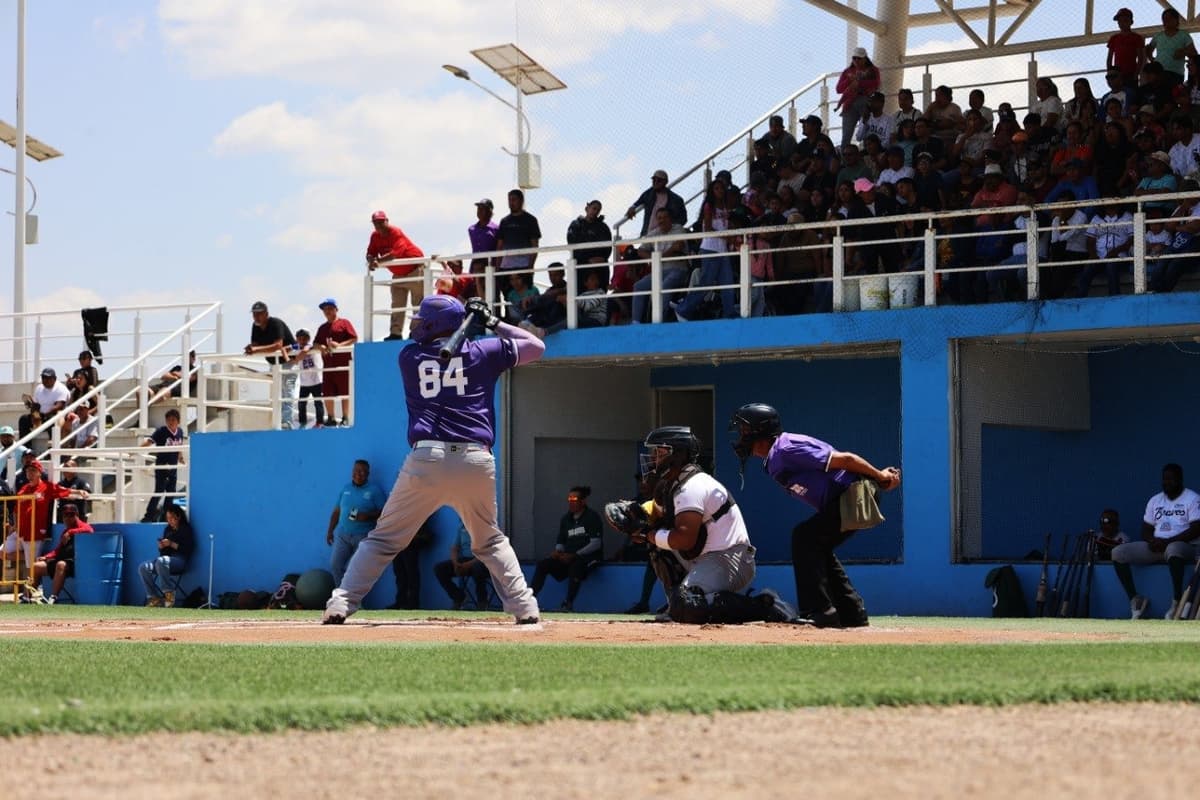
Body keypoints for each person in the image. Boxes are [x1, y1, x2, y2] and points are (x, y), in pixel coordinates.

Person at [323, 294, 545, 625]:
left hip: (426, 459)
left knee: (384, 539)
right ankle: (525, 607)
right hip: (475, 460)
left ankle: (341, 603)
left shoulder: (409, 356)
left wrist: (474, 325)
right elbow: (535, 346)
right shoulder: (484, 350)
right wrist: (492, 322)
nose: (415, 325)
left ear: (433, 325)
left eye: (421, 320)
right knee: (490, 541)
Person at [729, 403, 901, 628]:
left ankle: (820, 611)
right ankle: (852, 613)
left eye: (744, 430)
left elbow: (847, 460)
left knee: (804, 538)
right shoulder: (775, 457)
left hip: (854, 493)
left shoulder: (787, 448)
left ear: (760, 431)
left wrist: (880, 477)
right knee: (815, 545)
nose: (741, 437)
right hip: (842, 498)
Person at [606, 426, 799, 624]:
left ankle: (766, 606)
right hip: (705, 558)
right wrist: (635, 516)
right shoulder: (671, 484)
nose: (654, 458)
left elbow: (684, 539)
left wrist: (648, 533)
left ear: (678, 455)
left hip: (730, 559)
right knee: (660, 550)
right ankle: (676, 605)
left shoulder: (692, 486)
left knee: (689, 604)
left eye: (660, 452)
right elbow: (655, 515)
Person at [1112, 463, 1200, 619]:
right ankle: (1136, 599)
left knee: (1173, 548)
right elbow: (1146, 528)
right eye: (1164, 479)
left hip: (1184, 546)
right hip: (1157, 546)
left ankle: (1176, 602)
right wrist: (1151, 540)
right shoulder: (1155, 500)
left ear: (1179, 479)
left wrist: (1167, 542)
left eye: (1170, 479)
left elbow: (1196, 529)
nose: (1166, 482)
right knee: (1118, 553)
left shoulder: (1192, 498)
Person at [4, 460, 88, 576]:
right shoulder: (24, 489)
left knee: (32, 567)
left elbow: (62, 490)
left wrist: (79, 491)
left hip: (35, 532)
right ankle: (29, 557)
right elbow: (16, 510)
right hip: (20, 531)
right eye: (28, 471)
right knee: (2, 552)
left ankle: (28, 593)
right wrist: (14, 525)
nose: (30, 473)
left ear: (39, 472)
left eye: (33, 470)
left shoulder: (46, 487)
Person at [529, 486, 604, 612]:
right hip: (567, 558)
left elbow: (596, 543)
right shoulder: (566, 519)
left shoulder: (592, 517)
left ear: (583, 501)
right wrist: (558, 553)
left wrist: (575, 554)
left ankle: (568, 604)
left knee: (576, 566)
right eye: (569, 498)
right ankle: (529, 600)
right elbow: (561, 542)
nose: (571, 501)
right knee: (543, 564)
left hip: (587, 559)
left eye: (574, 498)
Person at [326, 459, 388, 586]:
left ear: (368, 474)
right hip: (342, 535)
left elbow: (385, 513)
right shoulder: (345, 489)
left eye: (362, 471)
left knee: (352, 570)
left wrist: (367, 516)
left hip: (363, 537)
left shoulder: (375, 490)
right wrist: (330, 531)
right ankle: (343, 599)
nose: (358, 474)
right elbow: (337, 511)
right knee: (335, 566)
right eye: (355, 470)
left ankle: (353, 601)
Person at [365, 210, 425, 341]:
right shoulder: (375, 236)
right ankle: (395, 333)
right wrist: (371, 260)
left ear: (387, 221)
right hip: (398, 273)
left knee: (417, 304)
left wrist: (378, 262)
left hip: (415, 269)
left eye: (381, 222)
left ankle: (416, 332)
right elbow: (370, 252)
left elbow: (395, 254)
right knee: (397, 304)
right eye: (376, 223)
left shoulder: (395, 232)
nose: (378, 225)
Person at [244, 301, 298, 430]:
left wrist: (256, 349)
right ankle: (280, 421)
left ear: (266, 314)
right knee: (277, 392)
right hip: (274, 363)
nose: (256, 317)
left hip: (288, 362)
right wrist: (251, 348)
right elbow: (256, 344)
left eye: (259, 314)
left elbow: (278, 345)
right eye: (254, 314)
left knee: (287, 390)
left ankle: (287, 422)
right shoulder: (255, 326)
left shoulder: (275, 323)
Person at [29, 503, 93, 605]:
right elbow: (58, 550)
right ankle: (28, 597)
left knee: (61, 565)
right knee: (36, 566)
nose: (67, 518)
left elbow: (89, 530)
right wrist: (46, 557)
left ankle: (53, 598)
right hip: (61, 560)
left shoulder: (82, 527)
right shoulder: (65, 532)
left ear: (77, 515)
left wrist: (71, 532)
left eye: (71, 515)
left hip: (75, 564)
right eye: (65, 515)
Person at [313, 298, 358, 428]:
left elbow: (354, 338)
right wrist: (320, 347)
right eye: (325, 309)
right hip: (328, 365)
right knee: (327, 392)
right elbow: (315, 342)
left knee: (345, 391)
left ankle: (345, 417)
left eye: (330, 308)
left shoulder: (344, 323)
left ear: (336, 309)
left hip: (343, 364)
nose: (327, 311)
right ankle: (331, 417)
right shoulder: (322, 328)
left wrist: (339, 345)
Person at [139, 504, 196, 607]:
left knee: (162, 561)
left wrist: (171, 544)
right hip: (165, 562)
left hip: (180, 561)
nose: (169, 521)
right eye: (167, 518)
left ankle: (169, 594)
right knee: (143, 567)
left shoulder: (186, 529)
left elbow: (188, 549)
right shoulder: (168, 530)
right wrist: (162, 547)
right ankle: (153, 597)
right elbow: (163, 554)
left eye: (171, 518)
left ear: (178, 516)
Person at [433, 522, 492, 610]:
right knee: (439, 569)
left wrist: (467, 565)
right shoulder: (462, 527)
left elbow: (486, 553)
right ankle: (458, 597)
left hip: (482, 561)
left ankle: (482, 602)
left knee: (478, 568)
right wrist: (455, 563)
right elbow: (455, 548)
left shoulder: (485, 527)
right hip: (465, 559)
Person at [140, 408, 185, 523]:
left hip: (173, 467)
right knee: (159, 491)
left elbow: (179, 446)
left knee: (170, 493)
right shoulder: (161, 431)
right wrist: (136, 450)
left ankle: (166, 516)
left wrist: (180, 457)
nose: (171, 422)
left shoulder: (180, 432)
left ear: (178, 421)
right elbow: (149, 441)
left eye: (173, 420)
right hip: (162, 466)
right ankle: (148, 516)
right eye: (168, 420)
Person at [836, 47, 881, 150]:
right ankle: (845, 159)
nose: (856, 60)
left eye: (859, 58)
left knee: (868, 132)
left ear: (865, 58)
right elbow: (839, 89)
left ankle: (868, 154)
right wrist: (850, 81)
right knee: (846, 135)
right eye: (854, 58)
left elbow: (876, 83)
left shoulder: (873, 70)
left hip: (865, 102)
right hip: (849, 105)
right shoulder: (847, 72)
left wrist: (858, 83)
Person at [566, 199, 613, 295]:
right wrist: (588, 260)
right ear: (587, 208)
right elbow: (572, 244)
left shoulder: (603, 227)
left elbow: (608, 247)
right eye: (594, 208)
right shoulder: (576, 225)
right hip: (581, 265)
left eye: (598, 210)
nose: (595, 212)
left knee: (600, 293)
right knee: (579, 294)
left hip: (600, 266)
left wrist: (602, 259)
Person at [495, 189, 542, 279]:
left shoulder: (531, 220)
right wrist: (497, 269)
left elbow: (535, 245)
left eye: (514, 200)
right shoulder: (504, 221)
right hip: (506, 267)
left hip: (524, 266)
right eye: (509, 200)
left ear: (521, 201)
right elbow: (500, 246)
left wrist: (530, 266)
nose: (511, 203)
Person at [625, 169, 687, 236]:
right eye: (654, 180)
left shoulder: (676, 199)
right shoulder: (648, 194)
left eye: (659, 180)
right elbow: (638, 202)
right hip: (648, 234)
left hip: (665, 235)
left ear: (666, 182)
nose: (656, 182)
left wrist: (670, 227)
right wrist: (632, 207)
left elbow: (683, 219)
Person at [18, 367, 70, 443]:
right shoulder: (39, 388)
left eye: (48, 378)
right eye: (43, 377)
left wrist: (43, 415)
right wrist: (34, 412)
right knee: (24, 419)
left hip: (55, 416)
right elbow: (36, 405)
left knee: (52, 419)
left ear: (55, 378)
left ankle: (51, 445)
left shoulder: (61, 388)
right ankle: (26, 447)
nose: (45, 380)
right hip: (42, 416)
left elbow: (59, 406)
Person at [292, 328, 324, 429]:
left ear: (308, 338)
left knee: (318, 403)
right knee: (301, 404)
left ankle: (320, 422)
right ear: (296, 339)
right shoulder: (296, 348)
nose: (302, 340)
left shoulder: (310, 347)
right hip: (304, 383)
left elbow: (306, 350)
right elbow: (286, 348)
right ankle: (302, 423)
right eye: (300, 338)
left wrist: (296, 359)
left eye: (304, 338)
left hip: (316, 381)